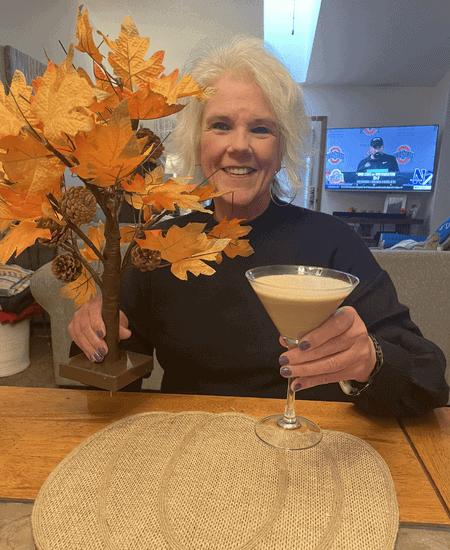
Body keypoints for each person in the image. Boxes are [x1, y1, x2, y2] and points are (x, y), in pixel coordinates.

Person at [69, 37, 449, 417]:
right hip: (191, 441)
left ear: (282, 150)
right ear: (197, 144)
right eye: (220, 125)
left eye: (261, 129)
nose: (240, 145)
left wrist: (370, 359)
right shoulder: (158, 246)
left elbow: (429, 379)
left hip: (309, 444)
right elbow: (109, 392)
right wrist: (95, 334)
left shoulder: (333, 242)